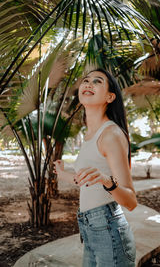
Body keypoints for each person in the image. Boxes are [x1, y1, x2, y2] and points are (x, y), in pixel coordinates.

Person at [54, 68, 137, 267]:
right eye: (86, 80)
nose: (88, 84)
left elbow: (131, 201)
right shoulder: (90, 134)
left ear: (110, 97)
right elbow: (86, 180)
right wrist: (62, 173)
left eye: (98, 81)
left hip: (108, 228)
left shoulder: (110, 135)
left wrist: (107, 181)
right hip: (90, 228)